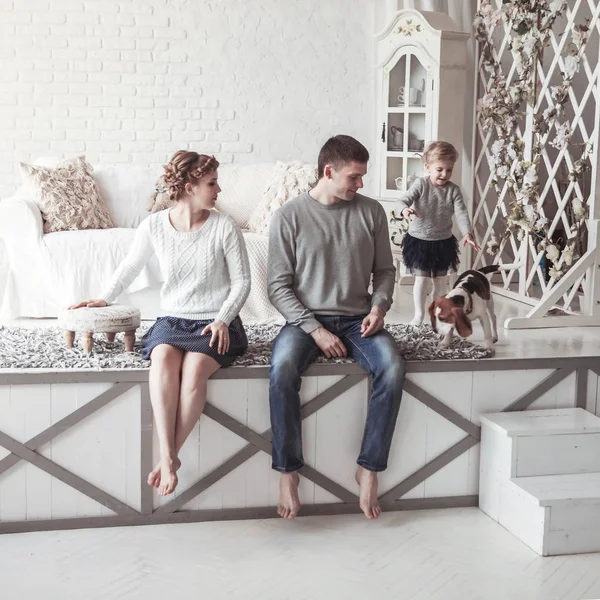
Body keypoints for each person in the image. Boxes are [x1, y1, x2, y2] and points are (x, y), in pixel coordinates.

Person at [70, 150, 251, 496]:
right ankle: (168, 457)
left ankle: (169, 457)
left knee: (195, 371)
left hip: (214, 322)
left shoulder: (224, 227)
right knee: (163, 361)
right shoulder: (154, 225)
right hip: (173, 318)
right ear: (188, 186)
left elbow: (242, 282)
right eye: (212, 183)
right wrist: (104, 297)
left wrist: (224, 319)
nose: (219, 190)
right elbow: (130, 267)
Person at [267, 135, 405, 520]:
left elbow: (385, 272)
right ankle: (288, 471)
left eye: (362, 177)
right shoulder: (289, 217)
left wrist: (380, 307)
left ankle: (369, 467)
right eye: (354, 177)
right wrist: (314, 330)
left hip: (358, 318)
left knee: (392, 368)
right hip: (305, 320)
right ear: (329, 172)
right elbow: (277, 287)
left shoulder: (371, 212)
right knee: (281, 371)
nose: (360, 184)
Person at [396, 141, 481, 326]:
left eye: (449, 170)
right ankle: (418, 315)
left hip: (443, 242)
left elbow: (461, 213)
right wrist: (405, 210)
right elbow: (402, 200)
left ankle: (437, 312)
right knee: (421, 279)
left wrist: (467, 233)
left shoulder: (453, 190)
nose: (444, 174)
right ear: (428, 167)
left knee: (440, 282)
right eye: (440, 169)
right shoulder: (421, 184)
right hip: (419, 241)